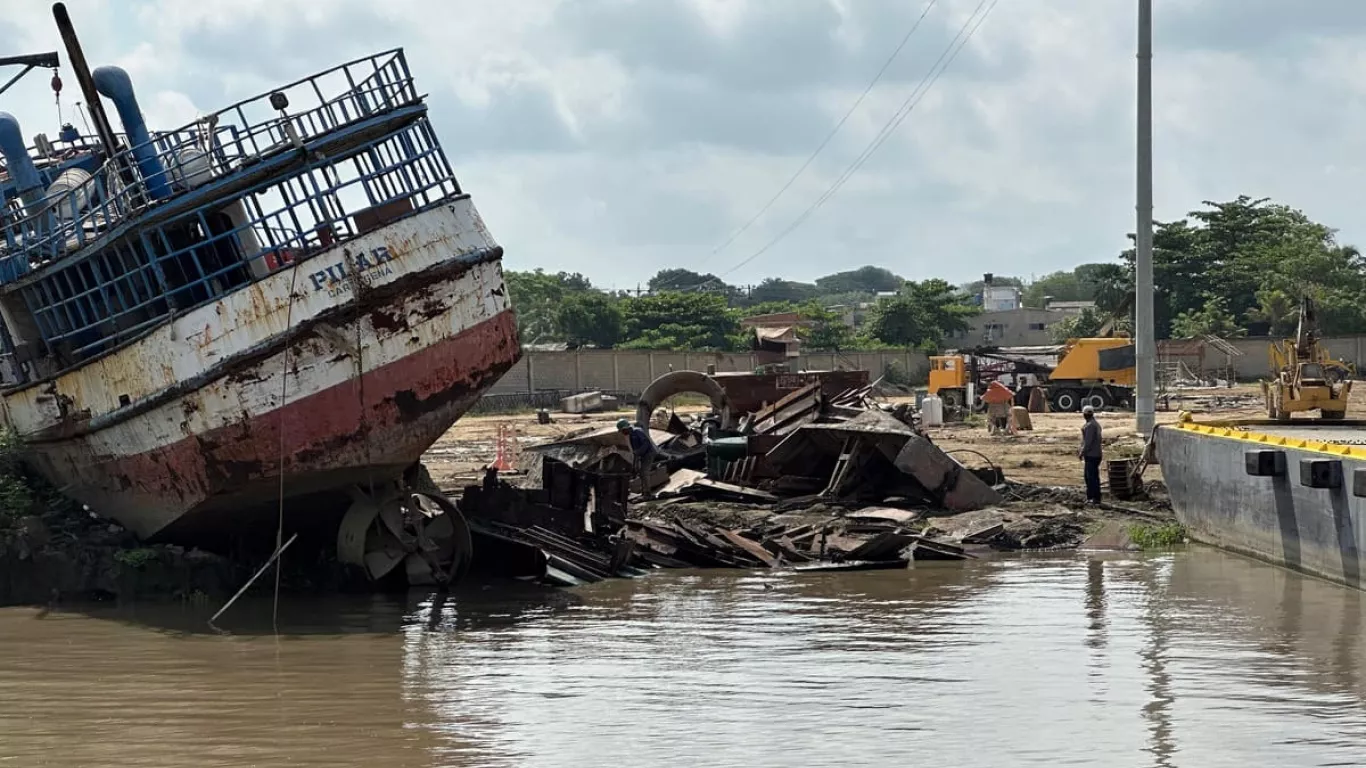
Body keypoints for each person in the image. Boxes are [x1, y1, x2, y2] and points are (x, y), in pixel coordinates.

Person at [618, 418, 659, 498]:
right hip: (642, 454)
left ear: (626, 428)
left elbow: (646, 443)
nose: (622, 433)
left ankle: (647, 493)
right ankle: (644, 492)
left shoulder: (637, 431)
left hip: (649, 453)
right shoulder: (630, 434)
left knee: (644, 472)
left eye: (622, 431)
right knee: (640, 472)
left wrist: (638, 452)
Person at [1079, 405, 1103, 504]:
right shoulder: (1096, 424)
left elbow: (1088, 442)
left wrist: (1082, 452)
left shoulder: (1090, 426)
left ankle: (1092, 497)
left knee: (1090, 477)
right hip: (1097, 454)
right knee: (1093, 476)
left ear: (1084, 414)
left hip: (1091, 454)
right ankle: (1095, 497)